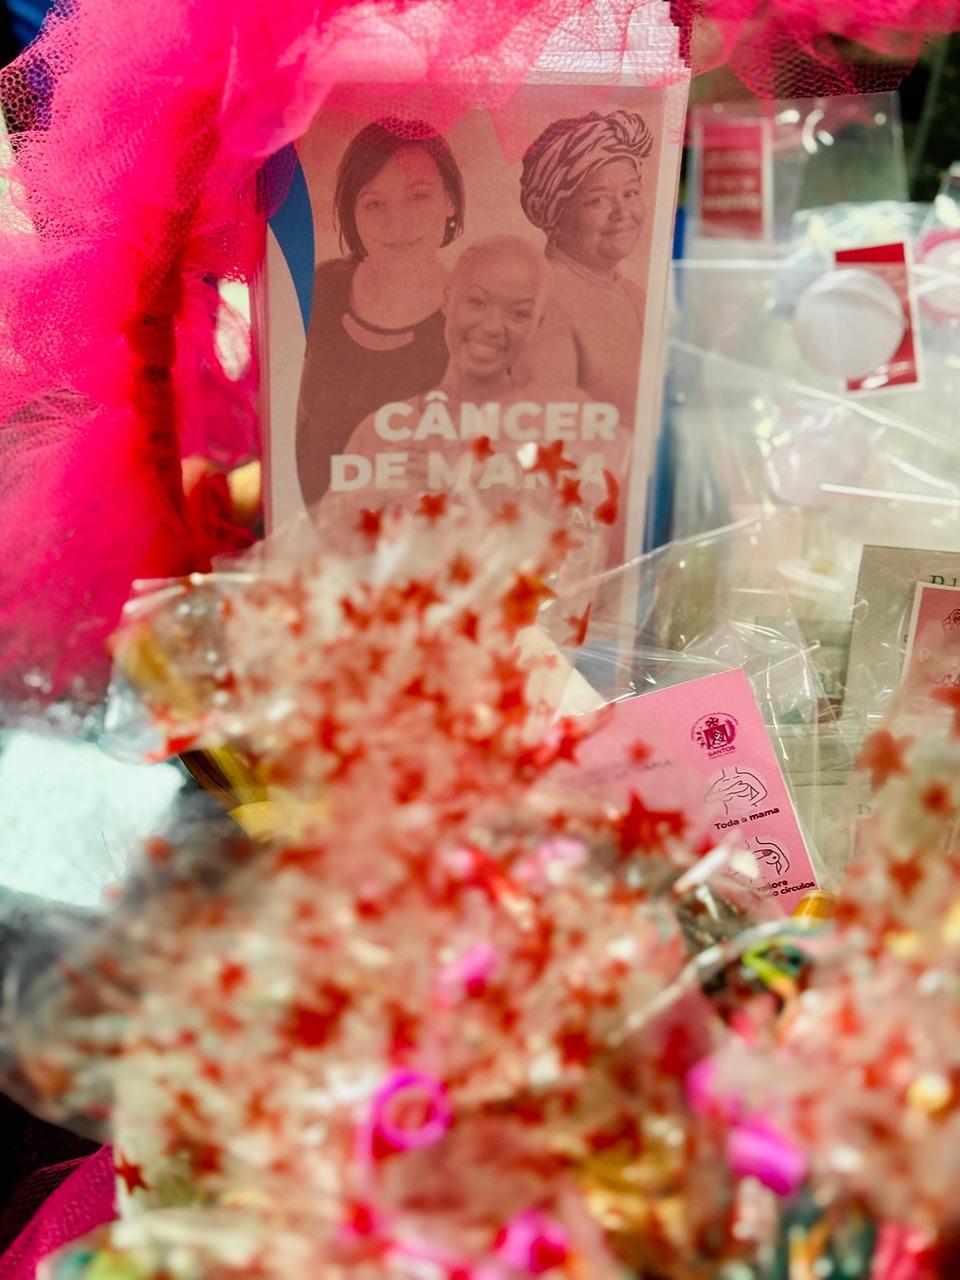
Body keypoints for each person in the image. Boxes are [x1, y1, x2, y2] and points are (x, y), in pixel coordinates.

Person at [325, 235, 625, 575]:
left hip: (531, 608)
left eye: (519, 313)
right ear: (447, 300)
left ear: (537, 323)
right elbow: (334, 558)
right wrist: (379, 496)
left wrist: (465, 480)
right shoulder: (386, 431)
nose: (493, 326)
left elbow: (591, 542)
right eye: (477, 303)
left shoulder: (568, 417)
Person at [295, 118, 465, 505]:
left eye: (417, 196)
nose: (396, 223)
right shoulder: (324, 287)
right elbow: (295, 413)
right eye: (374, 204)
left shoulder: (477, 314)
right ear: (352, 212)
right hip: (309, 521)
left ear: (449, 199)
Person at [518, 109, 654, 431]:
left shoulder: (633, 294)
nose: (622, 212)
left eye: (630, 193)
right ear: (554, 215)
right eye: (598, 200)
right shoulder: (540, 300)